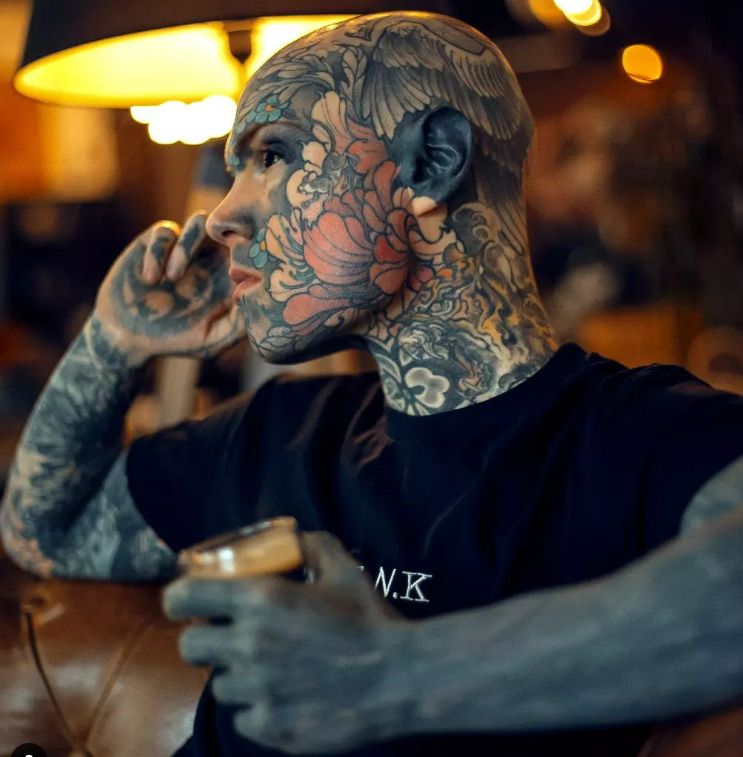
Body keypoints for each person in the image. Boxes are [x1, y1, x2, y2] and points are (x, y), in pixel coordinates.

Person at [2, 12, 743, 757]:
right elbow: (46, 529)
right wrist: (113, 341)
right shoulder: (277, 432)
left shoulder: (641, 438)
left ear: (431, 162)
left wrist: (391, 674)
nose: (222, 215)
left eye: (272, 155)